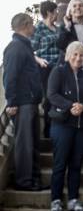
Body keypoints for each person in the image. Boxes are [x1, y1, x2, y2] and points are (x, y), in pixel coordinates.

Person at [47, 41, 83, 211]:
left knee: (76, 164)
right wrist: (71, 105)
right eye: (75, 54)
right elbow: (52, 95)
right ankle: (56, 200)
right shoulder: (58, 71)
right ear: (68, 55)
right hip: (62, 125)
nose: (78, 57)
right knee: (60, 164)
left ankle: (73, 199)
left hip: (82, 127)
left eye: (81, 55)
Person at [3, 13, 46, 191]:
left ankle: (33, 179)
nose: (34, 27)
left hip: (30, 102)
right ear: (26, 25)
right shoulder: (15, 48)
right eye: (32, 24)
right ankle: (24, 182)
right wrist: (12, 102)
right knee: (25, 145)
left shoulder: (24, 46)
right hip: (22, 103)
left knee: (33, 143)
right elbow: (9, 77)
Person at [31, 0, 60, 138]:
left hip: (59, 66)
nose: (58, 14)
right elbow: (31, 50)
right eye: (56, 11)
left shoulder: (58, 28)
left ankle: (58, 127)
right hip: (45, 67)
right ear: (49, 12)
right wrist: (39, 59)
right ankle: (48, 131)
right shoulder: (38, 29)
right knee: (49, 98)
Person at [56, 0, 83, 69]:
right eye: (74, 6)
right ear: (70, 11)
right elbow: (60, 45)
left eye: (80, 6)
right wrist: (68, 27)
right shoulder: (64, 27)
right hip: (67, 66)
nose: (78, 8)